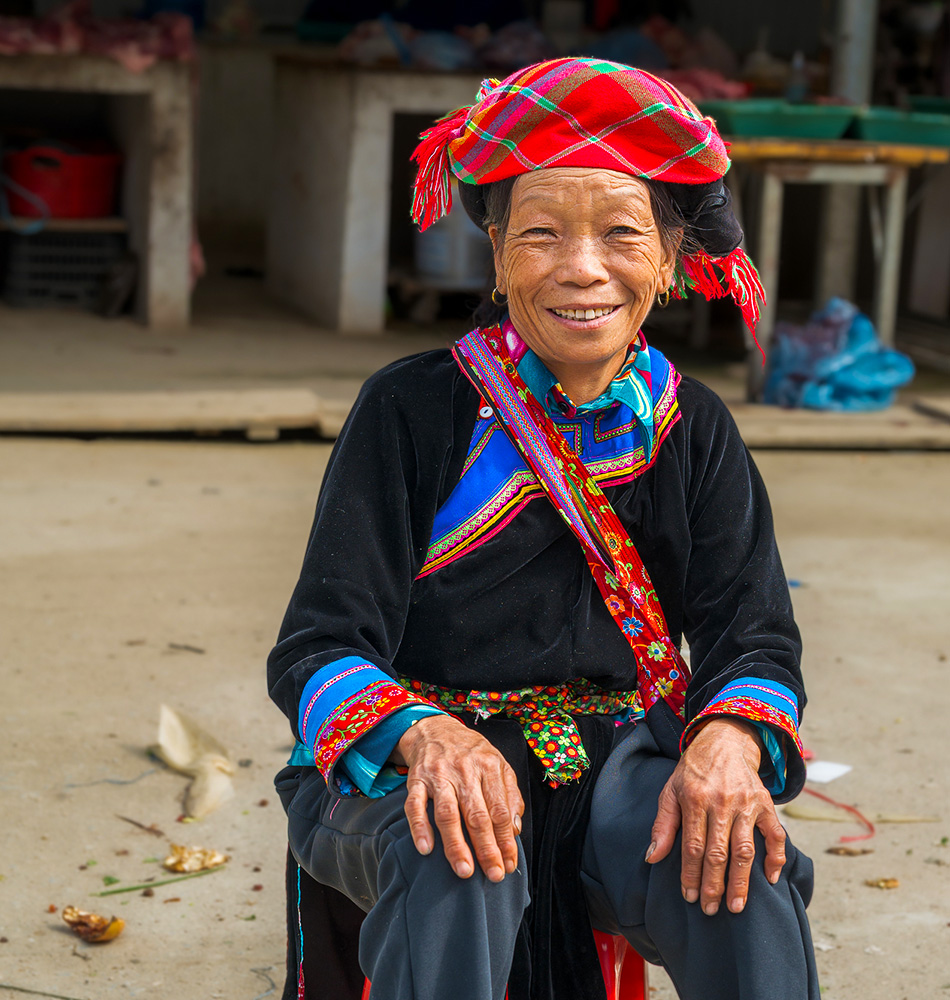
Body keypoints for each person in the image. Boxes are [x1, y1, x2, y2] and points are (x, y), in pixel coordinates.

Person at [269, 57, 819, 1000]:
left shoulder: (692, 428)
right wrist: (425, 737)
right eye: (541, 234)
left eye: (620, 233)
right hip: (408, 761)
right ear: (495, 253)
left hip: (613, 760)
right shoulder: (410, 410)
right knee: (458, 854)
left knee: (742, 867)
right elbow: (318, 646)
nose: (582, 268)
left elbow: (751, 633)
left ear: (670, 259)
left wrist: (727, 739)